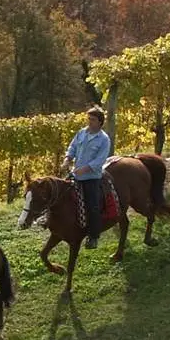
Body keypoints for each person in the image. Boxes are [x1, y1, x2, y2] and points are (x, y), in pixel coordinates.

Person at [61, 106, 112, 249]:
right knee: (61, 196)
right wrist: (67, 159)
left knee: (92, 206)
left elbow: (100, 160)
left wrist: (85, 169)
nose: (90, 122)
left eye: (93, 120)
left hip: (91, 178)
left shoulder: (104, 139)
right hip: (76, 174)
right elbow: (72, 147)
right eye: (89, 119)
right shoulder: (81, 133)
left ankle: (93, 236)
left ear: (100, 122)